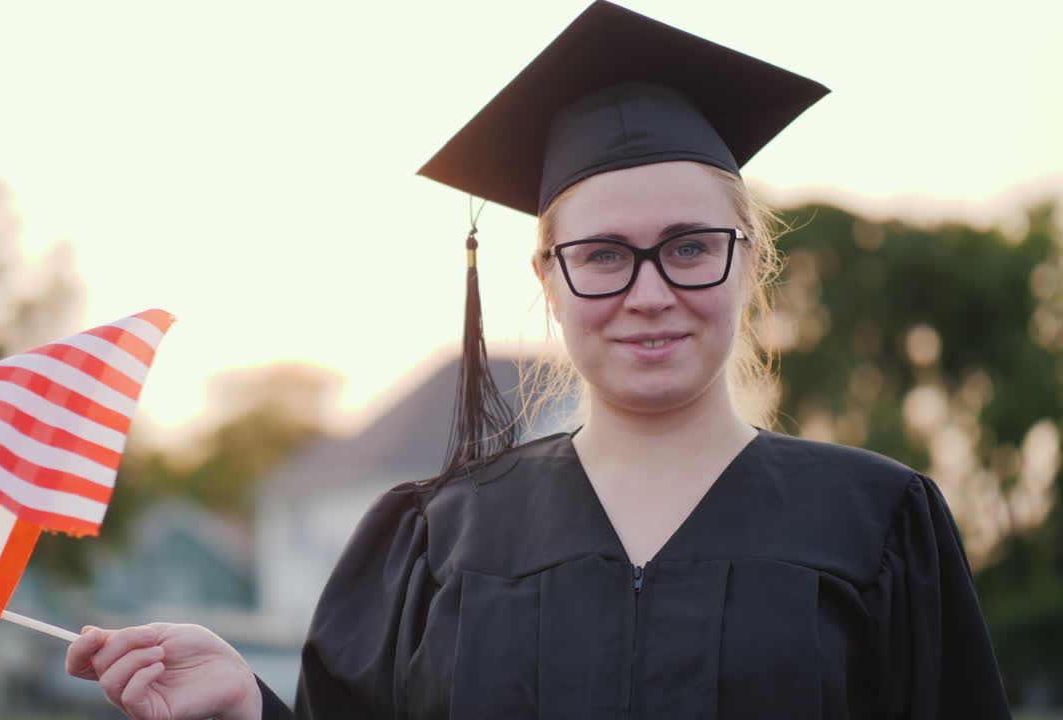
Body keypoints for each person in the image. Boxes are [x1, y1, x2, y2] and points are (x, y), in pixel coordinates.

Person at [65, 2, 1013, 718]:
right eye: (602, 256)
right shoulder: (438, 540)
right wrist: (247, 709)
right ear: (548, 279)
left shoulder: (878, 525)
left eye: (689, 246)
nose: (648, 293)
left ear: (750, 259)